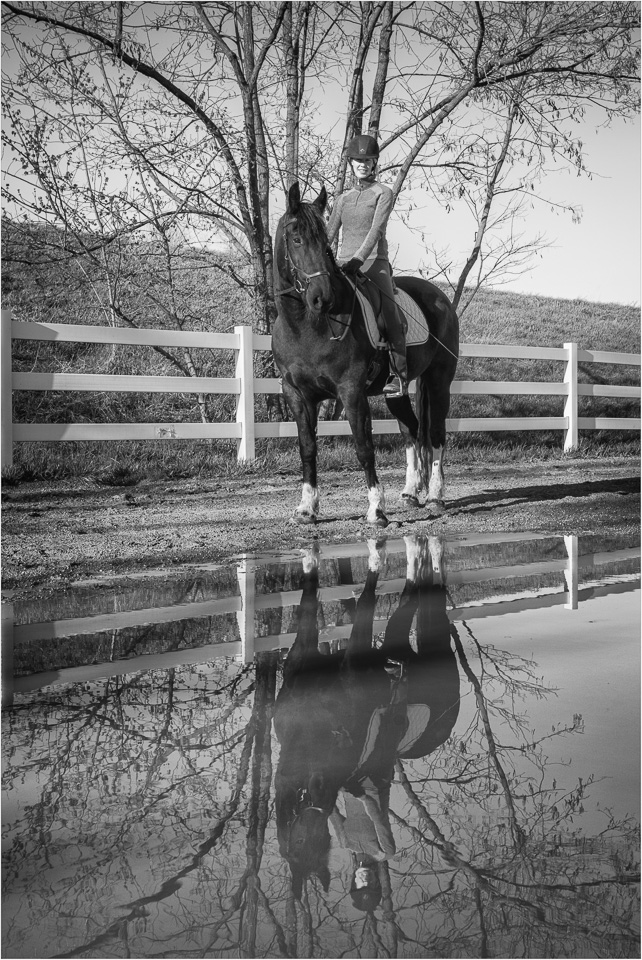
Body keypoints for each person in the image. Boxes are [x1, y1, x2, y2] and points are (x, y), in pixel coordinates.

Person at [327, 134, 408, 397]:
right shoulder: (342, 199)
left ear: (375, 163)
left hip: (373, 262)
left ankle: (398, 375)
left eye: (368, 160)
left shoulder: (383, 193)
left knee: (389, 315)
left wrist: (358, 259)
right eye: (358, 160)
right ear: (351, 163)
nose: (362, 164)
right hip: (342, 263)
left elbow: (376, 231)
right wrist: (323, 257)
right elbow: (330, 233)